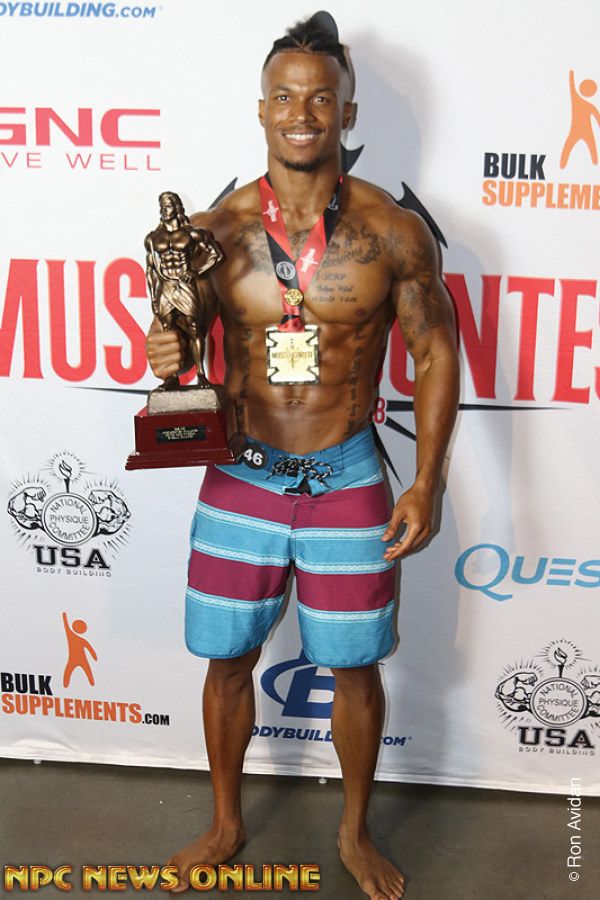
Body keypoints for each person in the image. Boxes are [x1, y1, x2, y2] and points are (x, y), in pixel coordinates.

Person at [146, 16, 459, 900]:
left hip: (347, 474)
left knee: (355, 667)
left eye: (321, 98)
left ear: (346, 111)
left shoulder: (394, 231)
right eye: (284, 96)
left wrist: (428, 481)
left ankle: (354, 831)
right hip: (241, 473)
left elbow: (435, 354)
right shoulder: (211, 233)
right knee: (226, 659)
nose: (301, 113)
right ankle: (225, 822)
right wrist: (168, 349)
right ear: (260, 109)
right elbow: (180, 342)